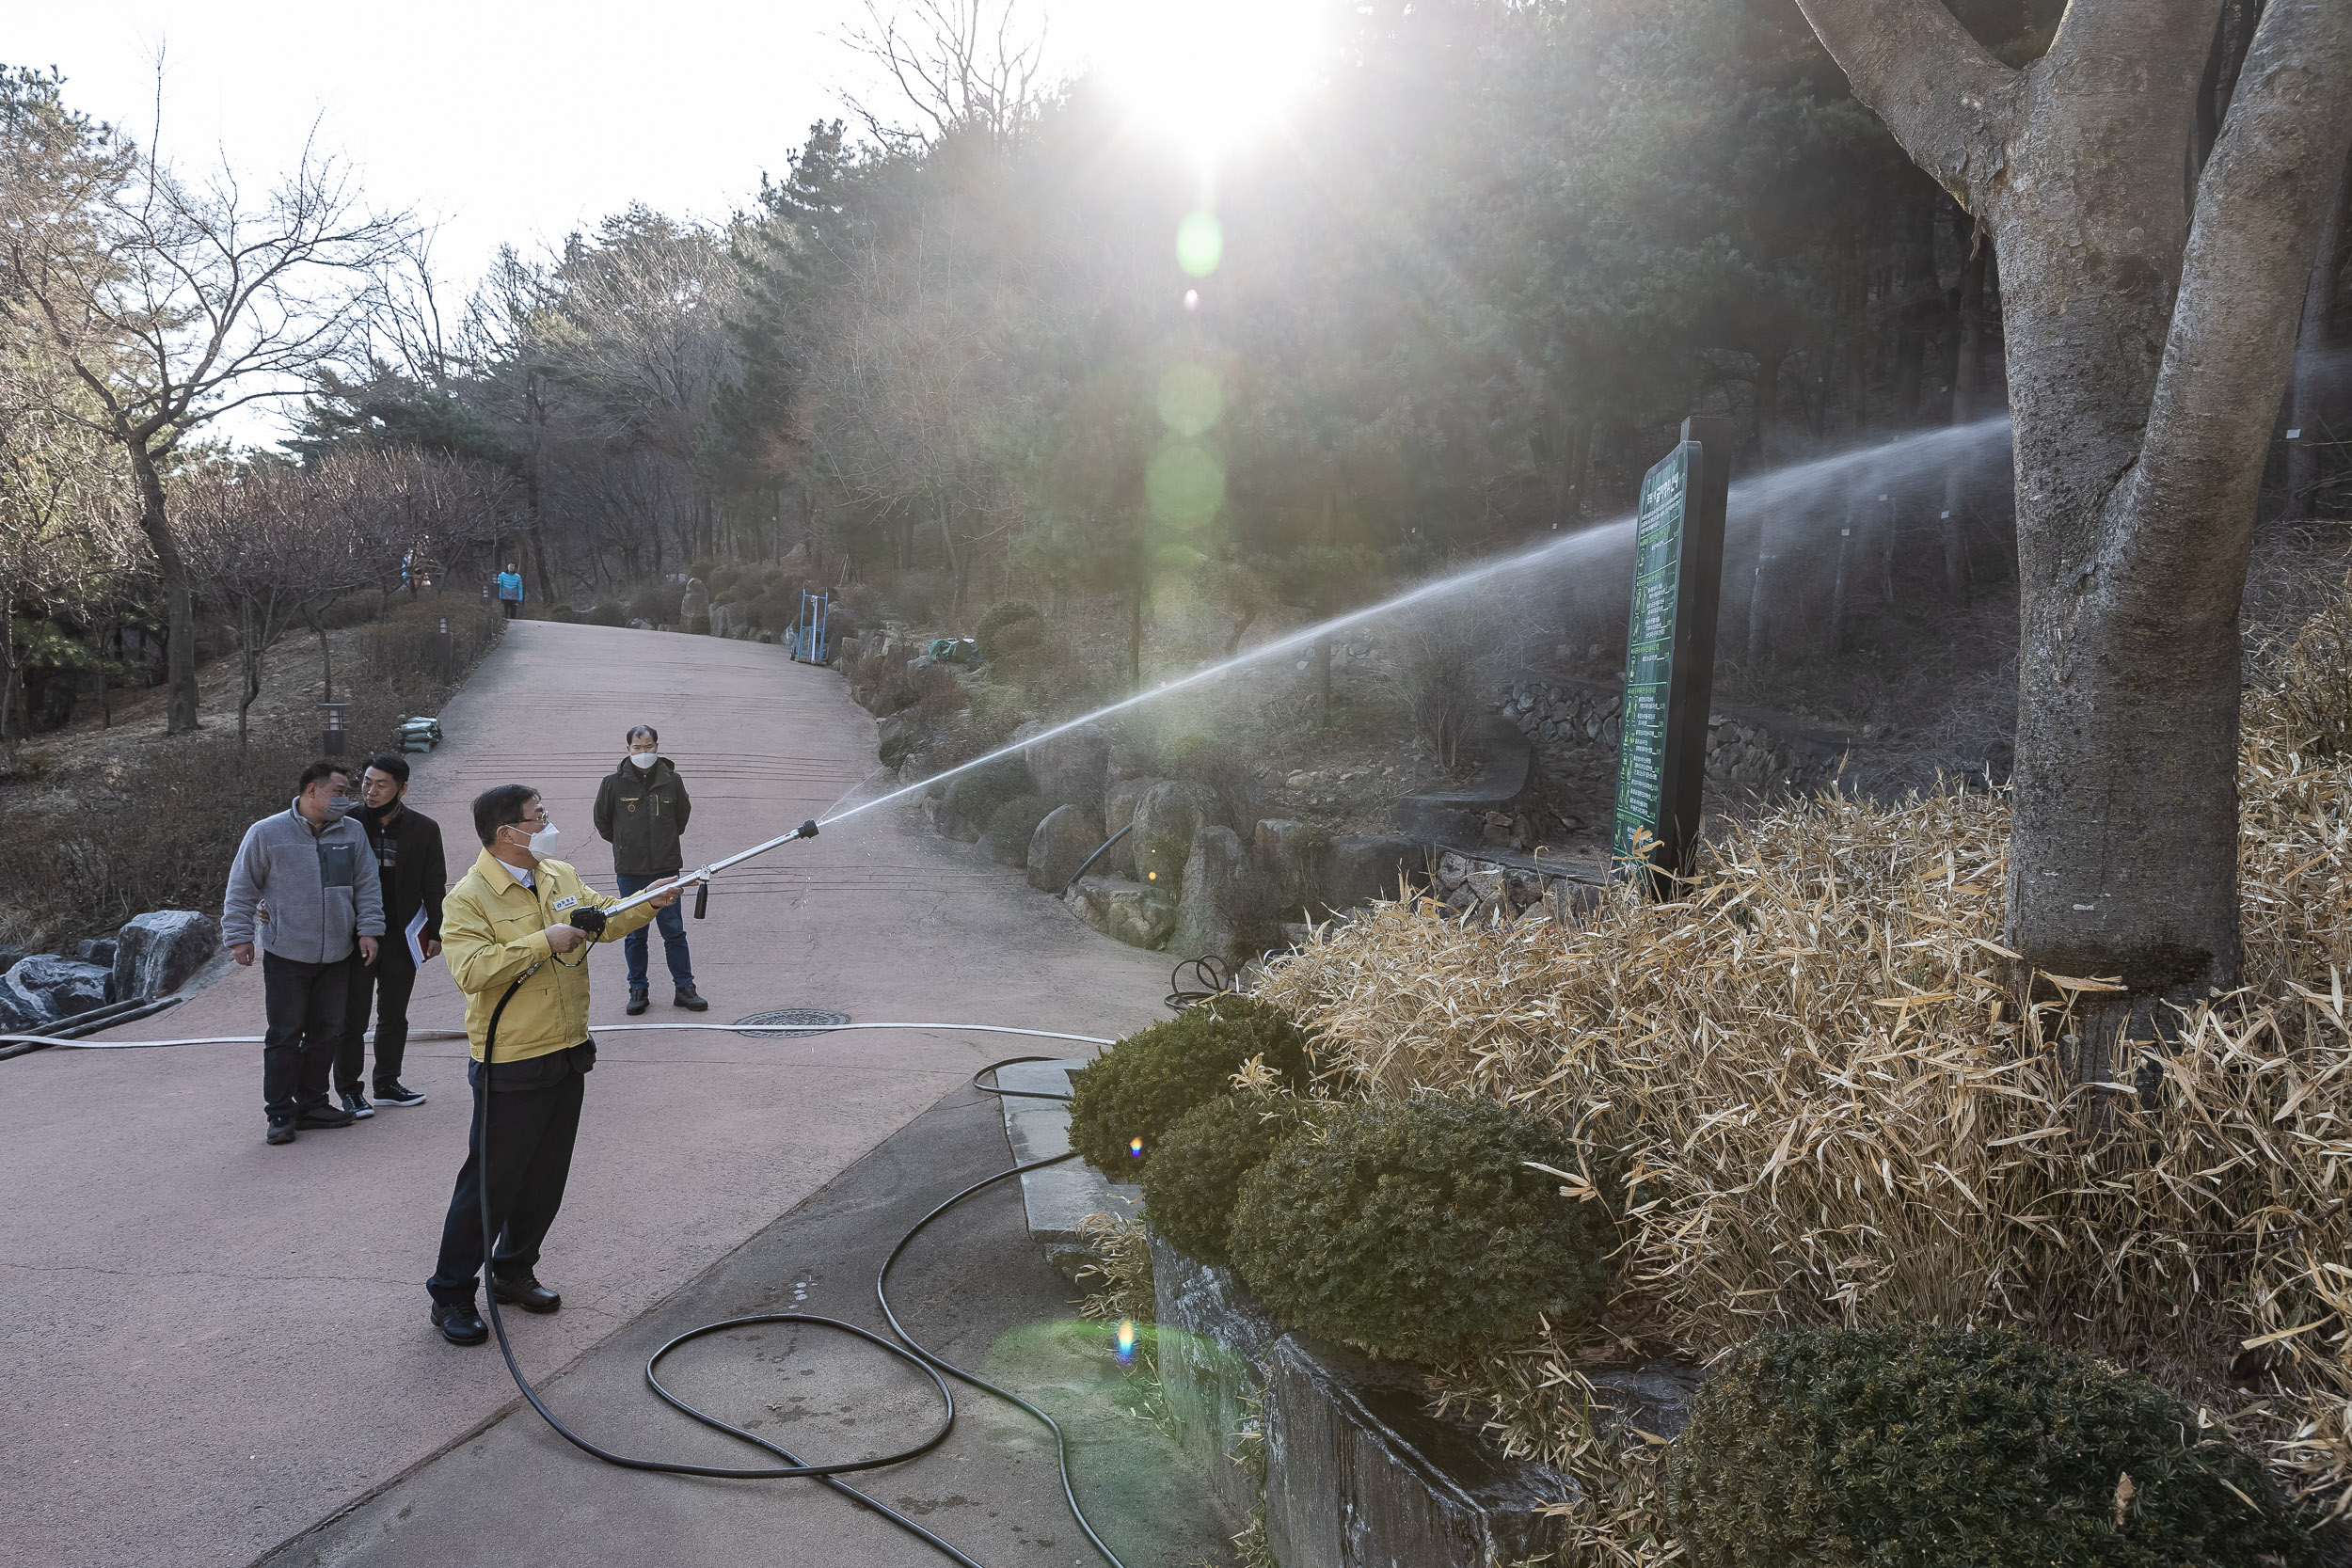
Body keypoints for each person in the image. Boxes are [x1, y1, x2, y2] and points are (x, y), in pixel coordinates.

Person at [424, 784, 678, 1346]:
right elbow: (471, 970)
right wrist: (543, 941)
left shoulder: (557, 873)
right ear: (506, 833)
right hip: (511, 1061)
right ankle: (449, 1294)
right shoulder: (468, 898)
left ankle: (513, 1269)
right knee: (491, 1184)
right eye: (538, 818)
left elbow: (602, 919)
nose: (547, 823)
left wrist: (649, 901)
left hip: (566, 1051)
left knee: (544, 1180)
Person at [222, 760, 385, 1146]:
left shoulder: (352, 832)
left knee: (327, 1032)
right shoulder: (267, 833)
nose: (346, 800)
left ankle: (313, 1104)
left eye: (347, 792)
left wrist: (369, 931)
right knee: (285, 1034)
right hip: (287, 954)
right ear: (312, 790)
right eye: (339, 792)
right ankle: (279, 1112)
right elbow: (241, 887)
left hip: (338, 955)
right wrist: (239, 937)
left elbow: (366, 884)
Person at [334, 753, 448, 1117]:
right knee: (352, 1016)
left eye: (381, 784)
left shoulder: (424, 829)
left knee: (394, 1013)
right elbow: (335, 882)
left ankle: (387, 1083)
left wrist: (436, 931)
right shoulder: (345, 822)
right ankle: (350, 1090)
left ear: (403, 788)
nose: (371, 790)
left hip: (401, 932)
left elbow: (434, 882)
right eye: (367, 782)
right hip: (354, 934)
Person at [592, 724, 707, 1016]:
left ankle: (684, 987)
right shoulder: (613, 783)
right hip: (630, 869)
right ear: (628, 749)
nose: (643, 753)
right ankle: (638, 988)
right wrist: (625, 844)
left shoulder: (673, 781)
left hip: (666, 867)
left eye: (648, 747)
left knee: (674, 931)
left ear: (658, 746)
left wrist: (663, 842)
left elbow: (681, 817)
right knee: (634, 932)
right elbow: (603, 822)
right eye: (637, 748)